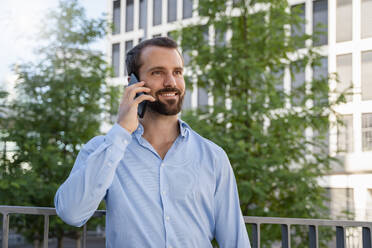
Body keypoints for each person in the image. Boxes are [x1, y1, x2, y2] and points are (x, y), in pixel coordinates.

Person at [54, 37, 250, 248]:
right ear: (133, 83)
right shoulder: (104, 149)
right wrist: (121, 131)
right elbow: (72, 213)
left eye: (177, 72)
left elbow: (234, 238)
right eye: (158, 72)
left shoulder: (213, 156)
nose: (171, 83)